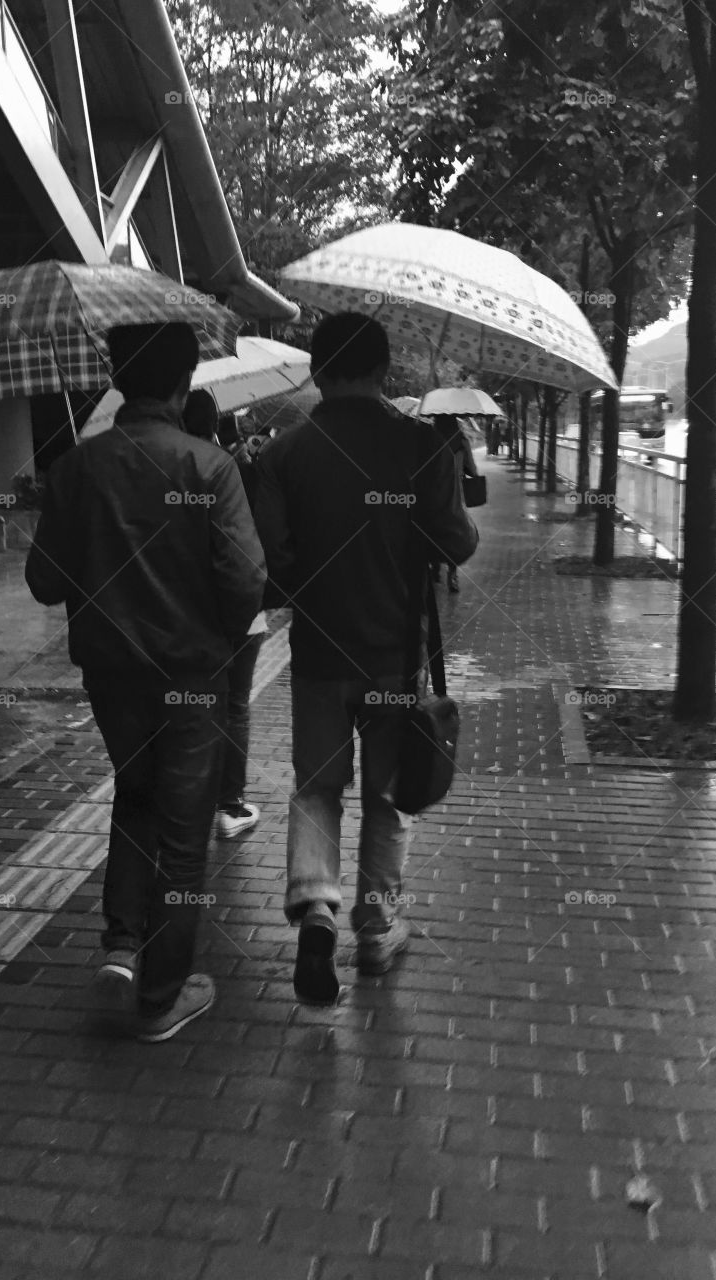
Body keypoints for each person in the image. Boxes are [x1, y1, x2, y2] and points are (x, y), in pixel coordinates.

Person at [25, 322, 266, 1042]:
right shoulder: (209, 467)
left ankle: (122, 945)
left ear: (119, 379)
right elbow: (245, 581)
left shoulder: (77, 468)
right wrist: (217, 638)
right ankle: (162, 997)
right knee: (184, 832)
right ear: (183, 384)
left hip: (110, 675)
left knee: (134, 799)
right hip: (191, 676)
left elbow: (44, 581)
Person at [255, 312, 478, 1005]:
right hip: (395, 658)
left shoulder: (283, 455)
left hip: (318, 654)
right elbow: (459, 543)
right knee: (386, 795)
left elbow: (272, 564)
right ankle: (377, 929)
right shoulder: (421, 445)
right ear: (383, 371)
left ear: (317, 371)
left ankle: (315, 907)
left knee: (317, 789)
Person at [182, 391, 267, 840]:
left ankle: (191, 802)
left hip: (187, 614)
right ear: (215, 423)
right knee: (234, 706)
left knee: (193, 704)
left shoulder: (167, 468)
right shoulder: (232, 467)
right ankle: (230, 806)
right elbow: (250, 544)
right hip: (239, 612)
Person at [430, 414, 478, 593]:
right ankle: (452, 574)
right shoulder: (462, 441)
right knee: (454, 528)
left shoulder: (429, 440)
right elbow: (472, 469)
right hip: (456, 493)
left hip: (432, 491)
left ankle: (435, 566)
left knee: (433, 526)